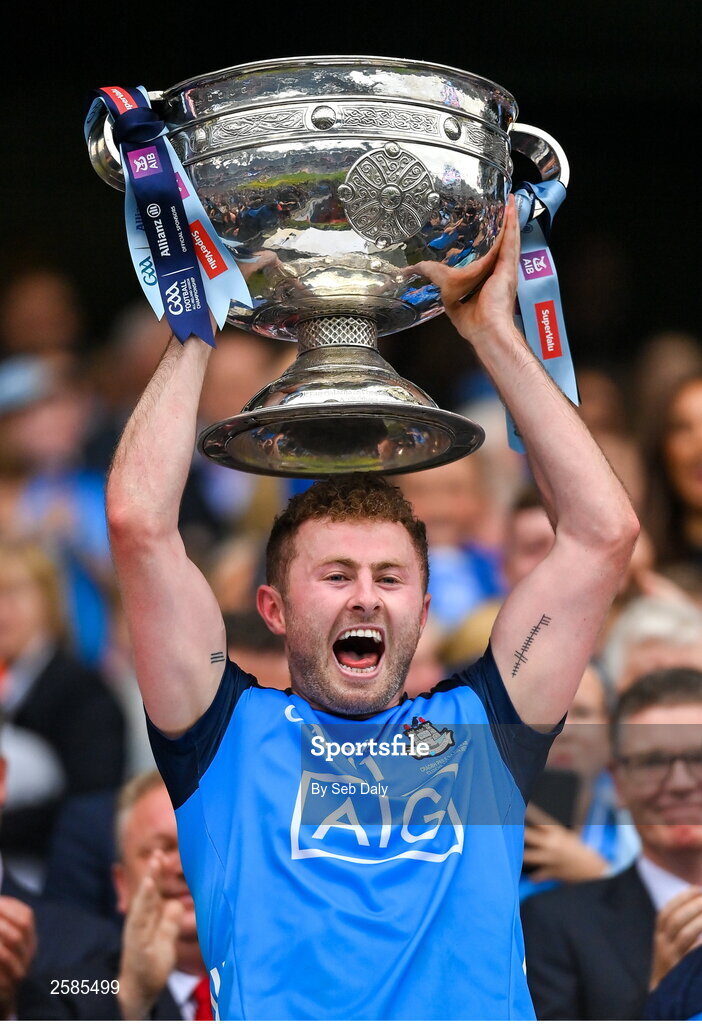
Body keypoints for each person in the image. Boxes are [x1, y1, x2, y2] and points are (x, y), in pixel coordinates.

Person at [105, 196, 638, 1020]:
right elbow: (141, 525)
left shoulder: (480, 738)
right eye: (337, 575)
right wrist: (197, 326)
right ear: (273, 608)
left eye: (390, 579)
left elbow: (603, 534)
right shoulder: (222, 741)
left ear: (424, 608)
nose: (366, 596)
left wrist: (490, 332)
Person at [521, 666, 702, 1020]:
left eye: (699, 757)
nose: (680, 782)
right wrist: (663, 1001)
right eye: (653, 762)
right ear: (618, 783)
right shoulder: (555, 926)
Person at [19, 770, 212, 1020]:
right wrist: (132, 1000)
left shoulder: (277, 979)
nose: (183, 868)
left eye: (199, 845)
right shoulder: (61, 996)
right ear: (122, 886)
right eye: (159, 849)